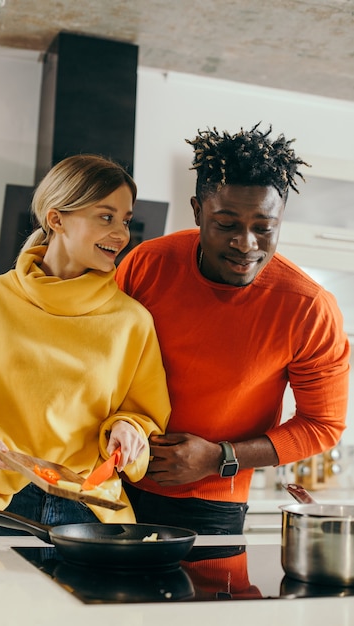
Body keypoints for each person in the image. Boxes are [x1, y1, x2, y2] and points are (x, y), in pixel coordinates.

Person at [115, 123, 350, 535]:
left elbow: (322, 425)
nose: (246, 243)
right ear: (197, 210)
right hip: (110, 486)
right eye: (226, 224)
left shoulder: (309, 308)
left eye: (264, 227)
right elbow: (100, 363)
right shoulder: (147, 264)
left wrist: (218, 457)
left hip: (209, 504)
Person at [0, 154, 171, 535]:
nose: (122, 234)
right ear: (56, 218)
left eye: (125, 221)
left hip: (89, 508)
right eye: (106, 216)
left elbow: (145, 416)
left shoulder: (132, 320)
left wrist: (129, 429)